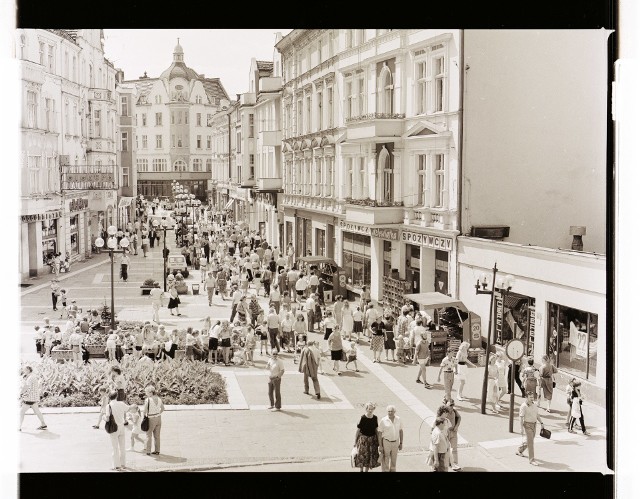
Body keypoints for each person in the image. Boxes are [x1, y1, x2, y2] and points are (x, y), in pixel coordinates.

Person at [104, 390, 137, 470]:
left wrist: (103, 418)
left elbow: (107, 419)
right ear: (116, 396)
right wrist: (134, 405)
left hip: (114, 428)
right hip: (121, 427)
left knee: (115, 447)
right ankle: (123, 464)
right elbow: (128, 408)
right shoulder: (121, 403)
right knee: (122, 447)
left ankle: (117, 465)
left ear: (109, 397)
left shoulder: (108, 406)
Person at [516, 392, 545, 466]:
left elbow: (537, 414)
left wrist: (541, 423)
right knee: (530, 443)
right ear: (526, 397)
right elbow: (521, 418)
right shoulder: (523, 406)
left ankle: (519, 450)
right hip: (527, 425)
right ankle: (531, 460)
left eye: (533, 397)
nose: (532, 399)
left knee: (529, 440)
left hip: (534, 425)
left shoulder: (534, 404)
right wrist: (521, 428)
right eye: (530, 397)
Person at [353, 402, 380, 472]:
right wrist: (355, 442)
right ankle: (361, 470)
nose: (370, 410)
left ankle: (366, 471)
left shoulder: (375, 418)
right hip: (363, 440)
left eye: (371, 409)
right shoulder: (362, 418)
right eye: (369, 409)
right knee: (362, 456)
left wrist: (379, 441)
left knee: (370, 456)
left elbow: (376, 430)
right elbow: (358, 431)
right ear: (366, 409)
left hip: (372, 440)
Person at [19, 366, 47, 431]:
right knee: (37, 411)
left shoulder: (30, 378)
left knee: (22, 412)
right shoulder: (33, 377)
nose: (24, 371)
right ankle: (43, 424)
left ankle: (19, 427)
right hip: (34, 398)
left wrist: (20, 393)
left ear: (28, 370)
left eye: (25, 370)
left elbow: (26, 387)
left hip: (29, 398)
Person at [377, 405, 403, 472]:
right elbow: (379, 433)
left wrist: (401, 443)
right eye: (389, 411)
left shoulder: (398, 419)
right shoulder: (383, 420)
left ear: (394, 411)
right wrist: (380, 446)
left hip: (395, 442)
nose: (390, 413)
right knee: (386, 459)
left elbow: (401, 431)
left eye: (391, 411)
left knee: (394, 459)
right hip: (386, 442)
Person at [143, 384, 165, 456]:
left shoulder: (148, 400)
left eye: (146, 392)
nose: (146, 393)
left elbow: (144, 411)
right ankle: (157, 450)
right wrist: (158, 413)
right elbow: (162, 408)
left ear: (150, 392)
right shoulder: (159, 399)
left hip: (151, 418)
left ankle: (148, 451)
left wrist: (144, 417)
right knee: (157, 435)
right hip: (158, 418)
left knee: (148, 435)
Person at [447, 399, 463, 471]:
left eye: (453, 405)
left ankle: (455, 464)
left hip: (453, 432)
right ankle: (448, 462)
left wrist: (457, 426)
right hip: (446, 433)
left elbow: (459, 417)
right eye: (450, 405)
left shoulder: (454, 411)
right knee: (445, 449)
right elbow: (438, 420)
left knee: (454, 448)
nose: (451, 406)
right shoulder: (443, 412)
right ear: (446, 405)